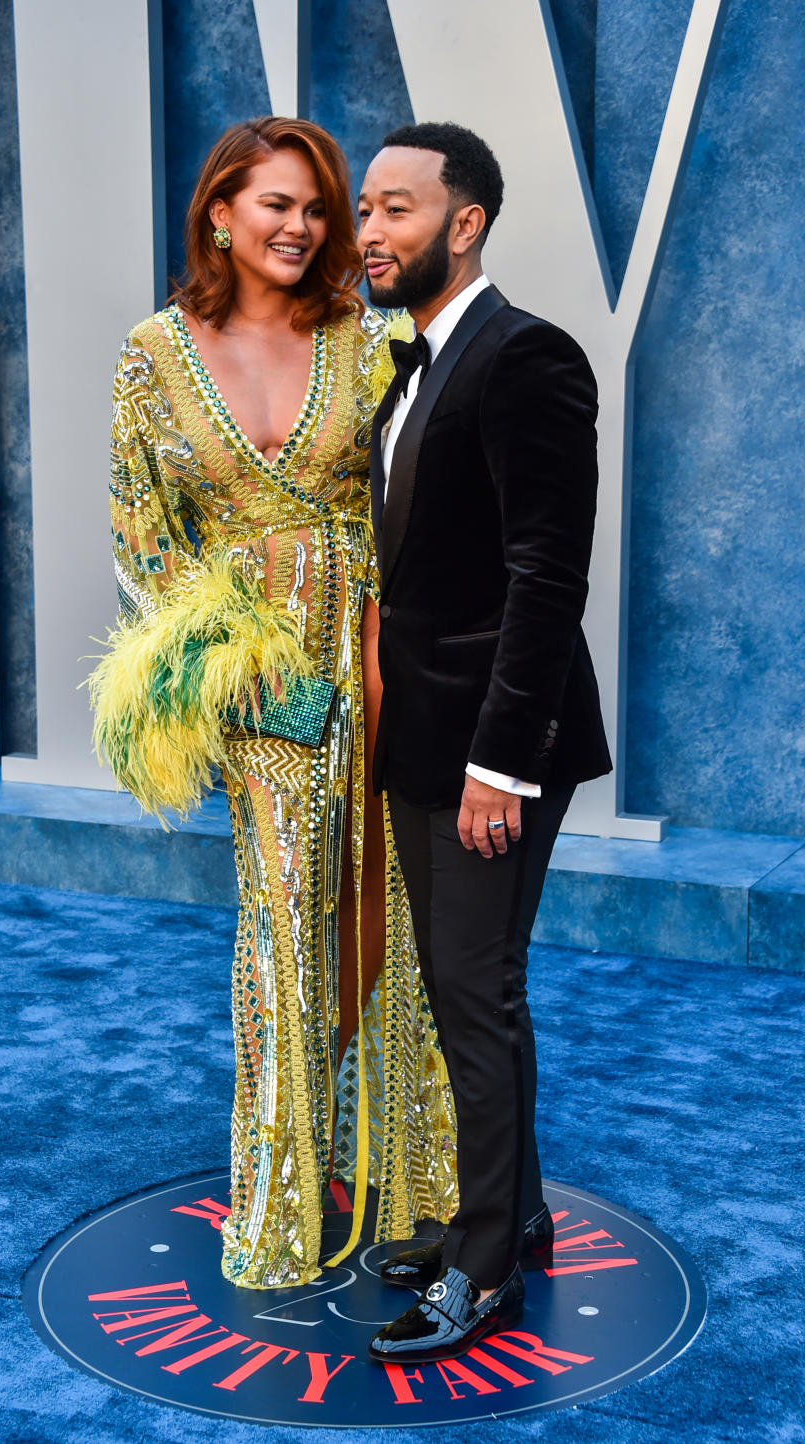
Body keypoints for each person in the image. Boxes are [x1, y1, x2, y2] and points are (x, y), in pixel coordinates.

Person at [88, 117, 457, 1290]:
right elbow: (144, 545)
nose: (300, 226)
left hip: (385, 650)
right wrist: (226, 670)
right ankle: (283, 1188)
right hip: (261, 675)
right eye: (275, 205)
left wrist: (408, 641)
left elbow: (427, 488)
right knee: (285, 916)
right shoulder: (154, 355)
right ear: (218, 214)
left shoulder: (369, 333)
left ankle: (423, 1182)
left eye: (316, 207)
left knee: (392, 901)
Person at [357, 122, 612, 1362]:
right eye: (364, 209)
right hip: (423, 740)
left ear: (466, 223)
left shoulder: (528, 359)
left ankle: (488, 1264)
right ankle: (510, 1216)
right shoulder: (413, 367)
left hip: (493, 753)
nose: (367, 233)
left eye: (395, 210)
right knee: (474, 988)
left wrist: (498, 765)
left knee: (475, 993)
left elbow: (545, 576)